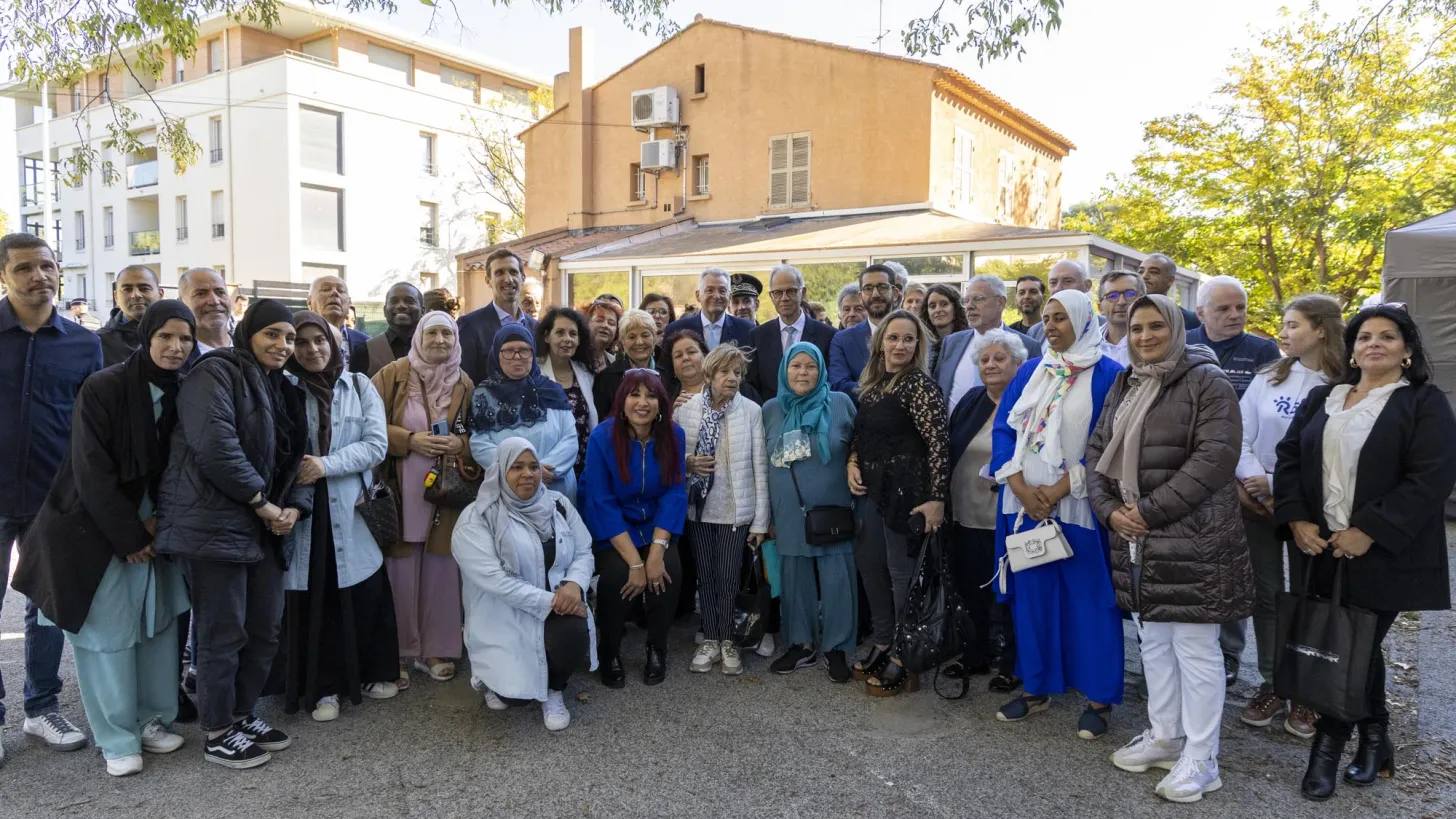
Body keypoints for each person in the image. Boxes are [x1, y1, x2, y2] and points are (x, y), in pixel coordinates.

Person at [1272, 305, 1456, 802]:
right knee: (1353, 645)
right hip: (1322, 547)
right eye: (1365, 337)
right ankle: (1376, 740)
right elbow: (1288, 459)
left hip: (1384, 552)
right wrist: (1296, 519)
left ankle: (1326, 751)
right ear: (1351, 349)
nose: (1374, 343)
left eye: (1388, 336)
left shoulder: (1423, 402)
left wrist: (1369, 530)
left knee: (1356, 648)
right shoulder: (1323, 398)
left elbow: (1431, 477)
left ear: (1408, 350)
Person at [12, 300, 195, 776]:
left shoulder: (188, 389)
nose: (176, 348)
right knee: (107, 636)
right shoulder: (105, 386)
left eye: (185, 339)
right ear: (146, 337)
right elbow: (90, 471)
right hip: (96, 530)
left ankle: (150, 720)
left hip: (160, 528)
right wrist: (131, 534)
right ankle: (116, 738)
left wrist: (164, 523)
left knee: (157, 627)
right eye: (165, 337)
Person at [1088, 294, 1253, 803]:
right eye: (1136, 328)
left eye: (1156, 326)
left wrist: (1148, 511)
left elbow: (1215, 457)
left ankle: (1203, 758)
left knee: (1196, 649)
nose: (1144, 337)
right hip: (1136, 538)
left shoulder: (1208, 381)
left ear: (1178, 329)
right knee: (1154, 642)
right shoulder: (1125, 381)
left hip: (1193, 537)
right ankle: (1165, 736)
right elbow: (1097, 453)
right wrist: (1111, 511)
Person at [154, 299, 309, 770]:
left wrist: (293, 510)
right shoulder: (215, 372)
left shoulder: (281, 387)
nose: (282, 345)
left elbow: (296, 459)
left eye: (289, 338)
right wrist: (262, 504)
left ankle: (243, 714)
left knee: (265, 628)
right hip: (214, 523)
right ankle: (218, 729)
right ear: (249, 334)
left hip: (263, 524)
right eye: (272, 335)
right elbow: (214, 446)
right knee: (223, 631)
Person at [991, 289, 1124, 738]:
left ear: (1085, 321)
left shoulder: (1109, 375)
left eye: (1061, 318)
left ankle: (1098, 696)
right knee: (1034, 599)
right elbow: (1004, 429)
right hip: (1025, 506)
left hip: (1079, 507)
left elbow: (1109, 444)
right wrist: (1021, 487)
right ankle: (1037, 688)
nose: (1050, 325)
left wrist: (1059, 488)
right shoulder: (1032, 370)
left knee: (1089, 600)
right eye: (1047, 318)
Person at [0, 233, 103, 758]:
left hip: (53, 498)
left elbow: (88, 424)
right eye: (24, 268)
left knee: (47, 607)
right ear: (3, 276)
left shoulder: (84, 343)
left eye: (47, 266)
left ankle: (41, 709)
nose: (39, 276)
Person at [277, 311, 399, 723]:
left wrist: (326, 465)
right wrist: (303, 469)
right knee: (317, 597)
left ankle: (370, 673)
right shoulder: (283, 389)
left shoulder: (359, 385)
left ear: (334, 344)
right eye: (302, 342)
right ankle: (324, 686)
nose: (313, 349)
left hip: (351, 507)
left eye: (321, 341)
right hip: (305, 511)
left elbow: (375, 446)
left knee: (363, 589)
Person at [1235, 295, 1345, 739]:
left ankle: (1307, 692)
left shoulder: (1344, 383)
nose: (1283, 333)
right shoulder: (1269, 377)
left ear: (1321, 329)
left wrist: (1282, 490)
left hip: (1312, 512)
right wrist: (1256, 481)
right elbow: (1240, 436)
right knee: (1265, 595)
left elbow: (1337, 455)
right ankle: (1272, 681)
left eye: (1294, 324)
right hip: (1257, 504)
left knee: (1308, 598)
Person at [454, 439, 595, 730]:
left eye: (533, 466)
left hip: (558, 603)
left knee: (573, 633)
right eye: (516, 467)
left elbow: (583, 550)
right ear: (499, 472)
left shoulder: (558, 505)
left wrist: (574, 584)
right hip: (504, 613)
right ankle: (492, 682)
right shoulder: (477, 519)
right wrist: (553, 602)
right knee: (514, 698)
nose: (527, 474)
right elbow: (495, 581)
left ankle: (554, 689)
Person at [847, 309, 949, 696]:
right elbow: (863, 435)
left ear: (918, 345)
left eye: (908, 339)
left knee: (901, 575)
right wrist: (852, 461)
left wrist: (936, 499)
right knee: (871, 568)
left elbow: (939, 444)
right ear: (881, 343)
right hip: (872, 491)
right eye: (893, 338)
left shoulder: (919, 386)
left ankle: (906, 658)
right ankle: (885, 641)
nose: (900, 345)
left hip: (908, 495)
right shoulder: (873, 386)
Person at [371, 311, 473, 688]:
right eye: (432, 333)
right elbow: (365, 424)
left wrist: (459, 443)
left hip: (446, 493)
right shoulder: (393, 375)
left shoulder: (463, 382)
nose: (440, 341)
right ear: (419, 336)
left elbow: (473, 430)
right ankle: (398, 652)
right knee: (399, 571)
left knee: (441, 569)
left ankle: (436, 649)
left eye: (448, 333)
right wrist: (409, 440)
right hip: (400, 488)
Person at [1187, 275, 1281, 683]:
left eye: (1240, 307)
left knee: (1234, 571)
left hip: (1241, 481)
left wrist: (1250, 479)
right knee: (1192, 571)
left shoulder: (1263, 351)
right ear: (1201, 312)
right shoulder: (1184, 342)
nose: (1235, 315)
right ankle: (1192, 653)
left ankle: (1229, 654)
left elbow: (1262, 422)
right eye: (1223, 308)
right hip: (1186, 478)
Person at [580, 369, 687, 688]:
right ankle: (610, 649)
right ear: (622, 400)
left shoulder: (674, 435)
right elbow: (602, 502)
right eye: (634, 394)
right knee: (616, 577)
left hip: (655, 525)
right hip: (616, 527)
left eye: (651, 395)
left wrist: (655, 554)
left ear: (661, 403)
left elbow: (674, 493)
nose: (643, 402)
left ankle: (657, 647)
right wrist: (636, 563)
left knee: (668, 572)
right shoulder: (603, 437)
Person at [762, 342, 859, 682]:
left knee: (837, 579)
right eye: (795, 366)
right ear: (784, 370)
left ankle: (837, 648)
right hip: (788, 510)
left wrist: (852, 460)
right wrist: (766, 516)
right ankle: (801, 644)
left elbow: (858, 444)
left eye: (810, 367)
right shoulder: (771, 409)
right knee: (794, 579)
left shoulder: (840, 402)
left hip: (833, 507)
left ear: (821, 370)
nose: (802, 373)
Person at [675, 345, 770, 675]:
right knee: (706, 576)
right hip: (698, 510)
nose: (732, 378)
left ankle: (729, 638)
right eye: (725, 372)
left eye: (738, 373)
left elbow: (760, 466)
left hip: (734, 511)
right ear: (710, 374)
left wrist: (760, 521)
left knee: (730, 578)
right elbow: (674, 461)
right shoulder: (685, 412)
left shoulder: (751, 411)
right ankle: (711, 638)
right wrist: (688, 464)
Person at [945, 329, 1028, 693]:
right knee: (971, 587)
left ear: (1018, 364)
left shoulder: (1029, 402)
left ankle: (1012, 664)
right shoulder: (972, 400)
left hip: (1011, 515)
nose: (991, 365)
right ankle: (974, 654)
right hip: (966, 511)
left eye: (1000, 358)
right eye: (984, 359)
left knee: (1010, 594)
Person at [470, 325, 578, 503]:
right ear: (497, 354)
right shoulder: (484, 395)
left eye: (524, 350)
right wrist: (523, 471)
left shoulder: (551, 390)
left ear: (533, 354)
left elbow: (569, 437)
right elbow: (479, 444)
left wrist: (543, 471)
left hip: (554, 483)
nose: (517, 356)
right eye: (508, 351)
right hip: (508, 487)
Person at [935, 275, 1040, 410]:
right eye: (966, 301)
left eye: (978, 299)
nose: (969, 306)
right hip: (952, 429)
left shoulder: (1028, 346)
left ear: (1001, 302)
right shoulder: (951, 343)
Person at [747, 264, 836, 402]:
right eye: (778, 293)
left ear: (803, 292)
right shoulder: (757, 336)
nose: (784, 298)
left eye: (791, 291)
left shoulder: (828, 335)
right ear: (771, 296)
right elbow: (752, 384)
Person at [459, 249, 539, 384]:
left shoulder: (535, 327)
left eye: (513, 272)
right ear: (488, 281)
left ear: (522, 278)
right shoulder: (470, 326)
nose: (508, 279)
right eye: (499, 273)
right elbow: (465, 382)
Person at [537, 307, 598, 481]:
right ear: (547, 336)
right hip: (547, 467)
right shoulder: (534, 373)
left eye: (573, 334)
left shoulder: (586, 373)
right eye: (560, 333)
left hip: (584, 466)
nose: (567, 339)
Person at [828, 264, 899, 397]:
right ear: (861, 296)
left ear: (895, 293)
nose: (875, 294)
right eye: (868, 288)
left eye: (882, 287)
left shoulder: (912, 334)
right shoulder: (843, 340)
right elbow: (838, 385)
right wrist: (887, 391)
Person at [594, 309, 665, 421]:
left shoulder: (667, 375)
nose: (639, 342)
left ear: (654, 338)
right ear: (622, 342)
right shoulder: (606, 379)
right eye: (632, 337)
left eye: (645, 335)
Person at [664, 268, 754, 354]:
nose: (716, 296)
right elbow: (664, 368)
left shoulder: (747, 330)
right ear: (698, 295)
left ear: (729, 296)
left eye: (722, 291)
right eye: (710, 290)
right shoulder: (676, 330)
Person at [1026, 260, 1106, 343]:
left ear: (1087, 285)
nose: (1058, 288)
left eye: (1068, 281)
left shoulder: (1107, 326)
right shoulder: (1036, 332)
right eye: (1053, 282)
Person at [98, 265, 163, 366]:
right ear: (116, 297)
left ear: (160, 294)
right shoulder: (99, 343)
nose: (135, 295)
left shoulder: (180, 337)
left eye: (144, 288)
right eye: (127, 289)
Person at [361, 282, 424, 377]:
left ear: (423, 311)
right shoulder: (365, 350)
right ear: (385, 311)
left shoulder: (436, 346)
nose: (401, 306)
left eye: (409, 301)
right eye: (394, 301)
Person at [308, 274, 367, 372]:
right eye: (326, 289)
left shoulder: (367, 344)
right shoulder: (293, 341)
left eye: (341, 290)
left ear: (349, 303)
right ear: (309, 302)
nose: (334, 293)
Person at [1137, 254, 1200, 330]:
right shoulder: (1123, 312)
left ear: (1170, 280)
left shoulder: (1189, 320)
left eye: (1153, 272)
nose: (1144, 276)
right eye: (1141, 271)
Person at [1097, 270, 1146, 366]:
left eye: (1130, 294)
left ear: (1144, 301)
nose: (1121, 302)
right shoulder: (1087, 345)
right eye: (1112, 296)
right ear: (1100, 307)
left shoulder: (1155, 342)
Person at [178, 267, 233, 352]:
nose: (214, 301)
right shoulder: (176, 359)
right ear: (181, 303)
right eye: (201, 294)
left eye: (220, 292)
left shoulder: (250, 349)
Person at [666, 329, 710, 408]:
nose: (685, 358)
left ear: (705, 355)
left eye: (691, 352)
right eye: (678, 356)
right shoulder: (666, 394)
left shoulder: (721, 388)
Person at [919, 282, 969, 346]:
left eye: (944, 304)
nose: (938, 310)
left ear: (956, 308)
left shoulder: (969, 340)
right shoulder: (921, 343)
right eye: (932, 306)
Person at [585, 298, 622, 372]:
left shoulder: (615, 363)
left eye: (611, 323)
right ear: (587, 323)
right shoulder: (574, 359)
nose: (605, 325)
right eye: (599, 320)